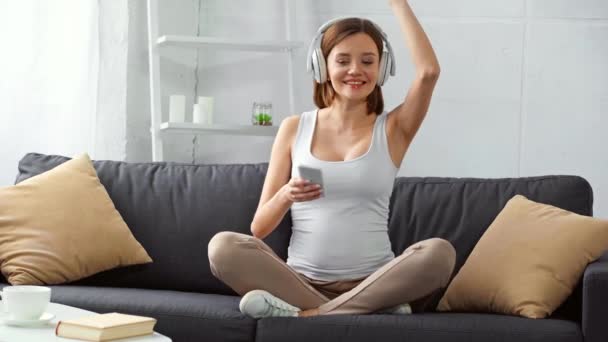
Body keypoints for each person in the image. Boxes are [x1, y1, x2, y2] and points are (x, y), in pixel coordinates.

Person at [208, 0, 456, 318]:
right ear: (322, 66)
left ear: (381, 69)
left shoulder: (394, 129)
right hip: (299, 282)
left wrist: (398, 3)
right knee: (223, 247)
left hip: (373, 281)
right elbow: (259, 228)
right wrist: (286, 194)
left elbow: (428, 72)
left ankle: (307, 316)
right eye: (343, 60)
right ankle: (365, 312)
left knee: (439, 253)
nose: (355, 70)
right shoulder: (294, 128)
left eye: (368, 61)